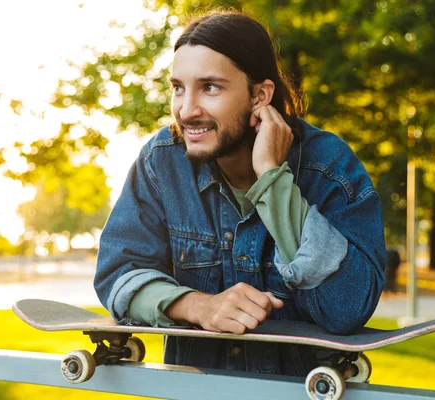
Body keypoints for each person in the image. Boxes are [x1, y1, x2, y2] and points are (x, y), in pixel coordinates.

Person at [94, 10, 386, 376]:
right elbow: (118, 273)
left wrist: (273, 181)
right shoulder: (161, 162)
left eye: (210, 87)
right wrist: (199, 306)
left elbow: (349, 307)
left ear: (260, 96)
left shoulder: (328, 167)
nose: (186, 110)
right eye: (178, 88)